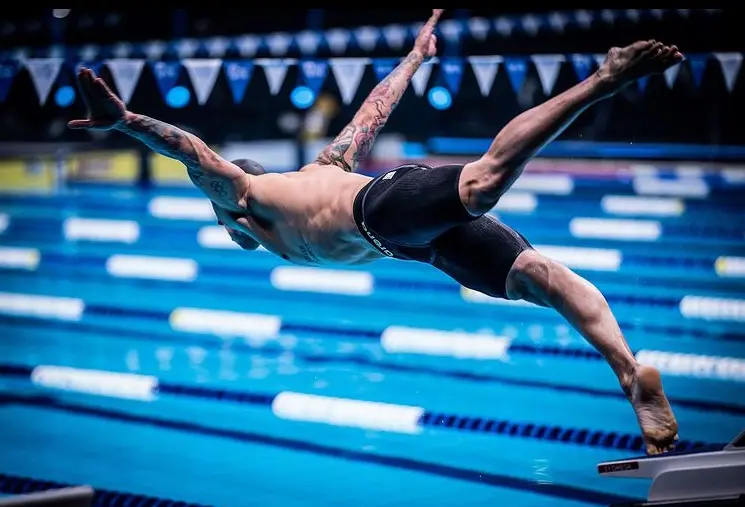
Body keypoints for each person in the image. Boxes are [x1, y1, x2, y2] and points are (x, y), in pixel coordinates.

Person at [68, 9, 682, 454]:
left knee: (483, 183)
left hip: (381, 210)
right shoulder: (319, 172)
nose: (228, 232)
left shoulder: (249, 195)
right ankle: (632, 376)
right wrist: (414, 58)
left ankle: (603, 79)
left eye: (221, 217)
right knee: (537, 277)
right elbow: (373, 111)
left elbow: (192, 152)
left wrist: (125, 122)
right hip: (413, 245)